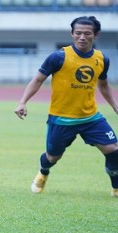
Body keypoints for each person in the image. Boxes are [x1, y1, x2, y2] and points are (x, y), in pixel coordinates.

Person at [14, 16, 118, 197]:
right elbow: (38, 79)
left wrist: (115, 106)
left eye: (87, 33)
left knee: (113, 150)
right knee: (52, 157)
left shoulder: (102, 59)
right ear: (72, 34)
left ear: (96, 35)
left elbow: (103, 85)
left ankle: (116, 187)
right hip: (61, 118)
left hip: (91, 117)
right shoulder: (58, 57)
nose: (82, 37)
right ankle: (43, 172)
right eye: (78, 33)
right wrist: (23, 102)